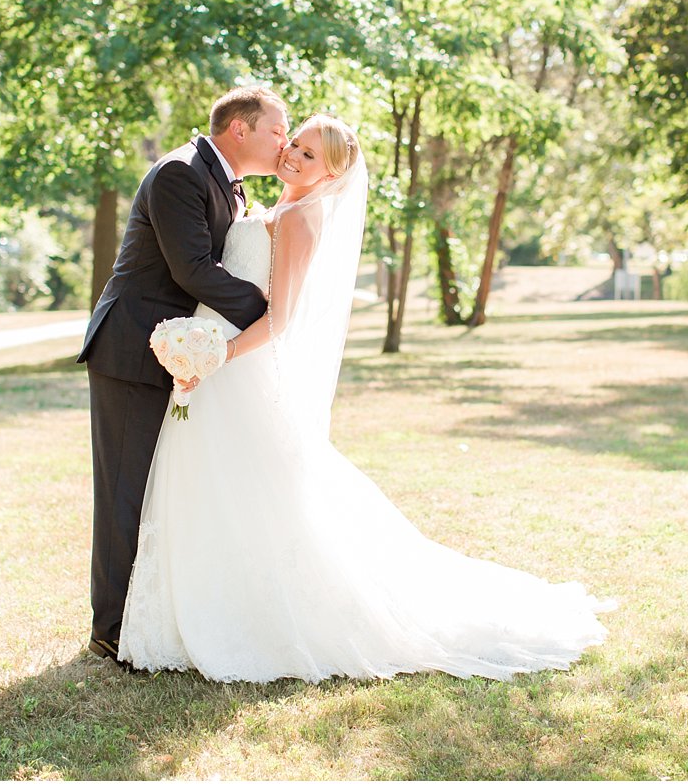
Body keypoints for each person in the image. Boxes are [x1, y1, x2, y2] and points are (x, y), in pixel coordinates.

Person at [120, 113, 610, 682]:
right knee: (208, 487)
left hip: (237, 366)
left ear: (330, 175)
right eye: (294, 144)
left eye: (309, 157)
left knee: (255, 495)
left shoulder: (302, 219)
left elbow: (281, 321)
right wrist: (197, 353)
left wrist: (217, 356)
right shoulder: (265, 208)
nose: (293, 156)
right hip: (210, 365)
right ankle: (193, 613)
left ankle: (253, 618)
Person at [77, 86, 290, 664]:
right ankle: (113, 631)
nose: (285, 141)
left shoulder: (227, 183)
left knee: (162, 489)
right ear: (240, 130)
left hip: (180, 354)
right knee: (125, 490)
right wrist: (273, 317)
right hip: (131, 352)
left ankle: (153, 616)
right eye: (277, 129)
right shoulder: (180, 174)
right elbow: (194, 269)